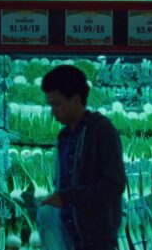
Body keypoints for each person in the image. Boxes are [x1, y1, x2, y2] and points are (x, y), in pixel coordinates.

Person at [37, 64, 126, 250]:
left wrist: (68, 197)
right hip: (67, 236)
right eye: (51, 104)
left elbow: (114, 184)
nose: (53, 111)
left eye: (57, 104)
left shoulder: (102, 130)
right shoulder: (64, 136)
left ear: (76, 99)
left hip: (96, 241)